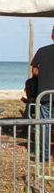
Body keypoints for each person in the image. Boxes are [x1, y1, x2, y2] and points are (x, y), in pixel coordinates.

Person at [31, 26, 54, 160]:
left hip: (45, 95)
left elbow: (34, 71)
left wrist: (44, 75)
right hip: (45, 95)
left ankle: (44, 155)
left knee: (45, 125)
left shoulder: (42, 50)